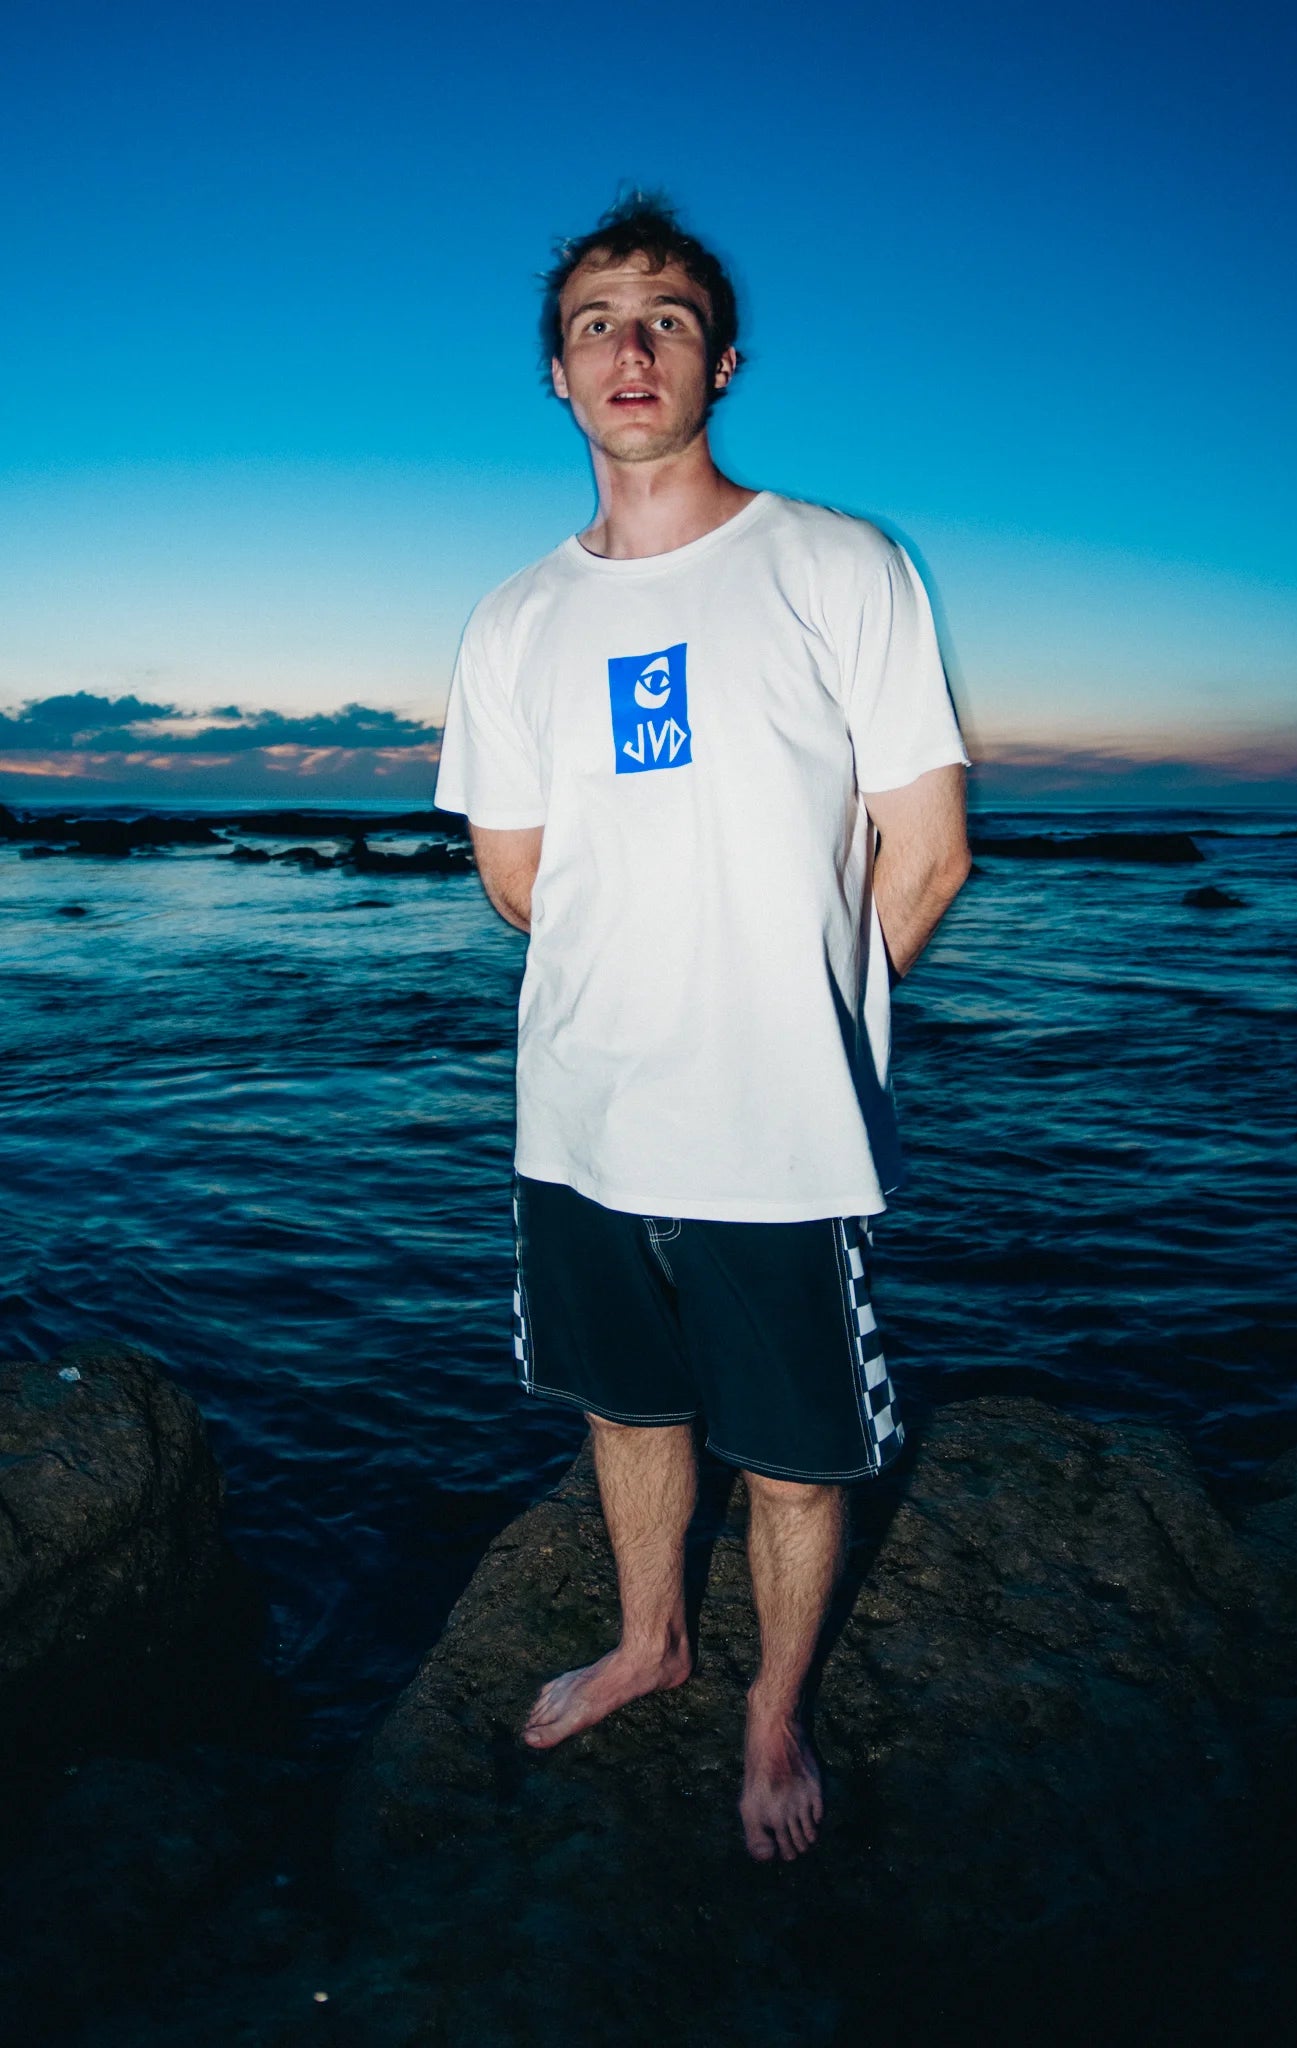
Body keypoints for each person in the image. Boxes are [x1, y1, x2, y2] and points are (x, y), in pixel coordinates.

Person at [434, 193, 971, 1865]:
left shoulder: (836, 564)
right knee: (626, 1406)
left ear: (719, 362)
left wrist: (799, 1020)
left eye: (664, 317)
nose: (630, 346)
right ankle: (650, 1642)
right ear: (557, 375)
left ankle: (771, 1714)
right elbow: (517, 882)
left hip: (776, 1126)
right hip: (581, 1113)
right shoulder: (514, 618)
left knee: (799, 1459)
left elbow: (926, 850)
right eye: (595, 322)